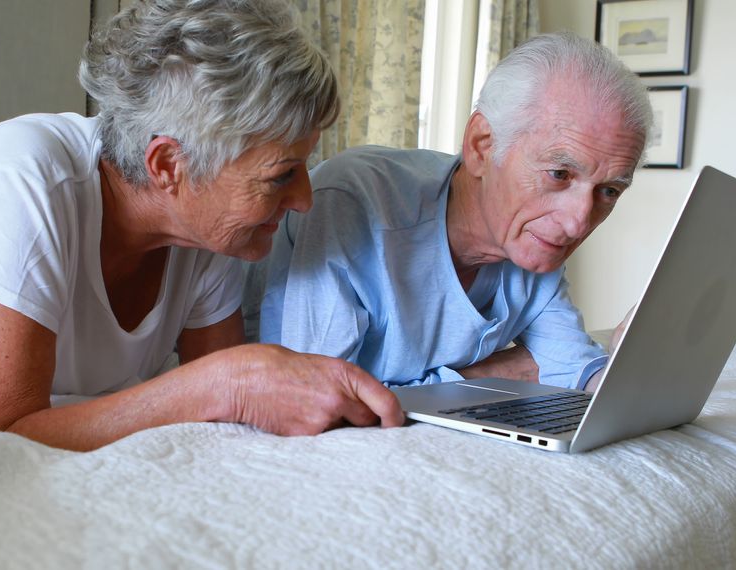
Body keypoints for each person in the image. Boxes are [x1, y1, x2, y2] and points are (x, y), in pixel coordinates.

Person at [0, 0, 404, 451]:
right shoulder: (17, 179)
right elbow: (1, 432)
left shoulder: (211, 228)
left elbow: (227, 414)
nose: (305, 200)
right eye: (281, 174)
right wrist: (225, 382)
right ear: (169, 163)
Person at [259, 32, 650, 392]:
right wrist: (498, 371)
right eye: (559, 174)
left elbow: (572, 364)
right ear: (481, 146)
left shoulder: (532, 242)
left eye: (609, 191)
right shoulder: (353, 203)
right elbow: (320, 402)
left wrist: (632, 364)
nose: (578, 222)